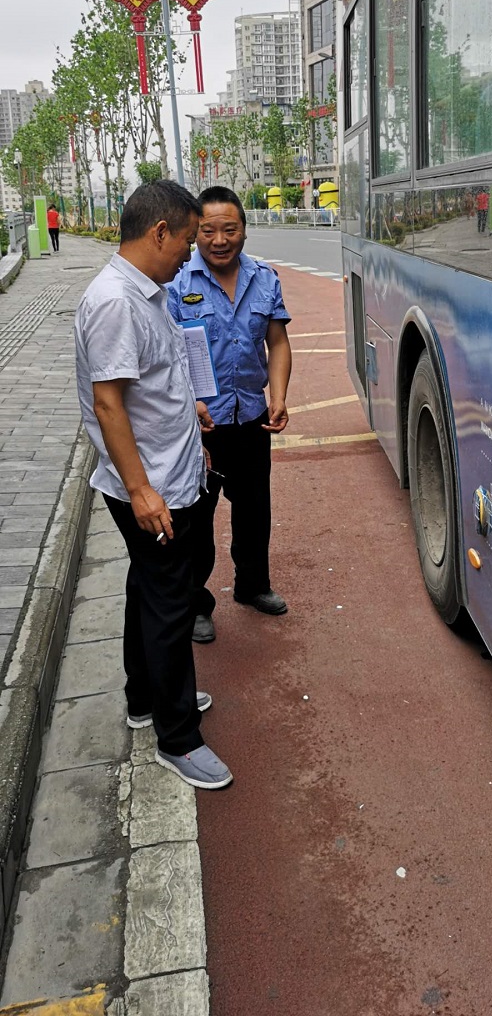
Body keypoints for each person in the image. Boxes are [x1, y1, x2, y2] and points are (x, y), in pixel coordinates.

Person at [74, 180, 232, 790]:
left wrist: (187, 412)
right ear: (159, 232)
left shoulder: (146, 293)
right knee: (170, 602)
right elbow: (109, 404)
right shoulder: (116, 301)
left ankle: (146, 698)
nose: (191, 253)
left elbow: (150, 380)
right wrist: (141, 491)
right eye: (188, 240)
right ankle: (178, 738)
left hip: (167, 469)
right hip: (152, 485)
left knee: (148, 588)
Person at [167, 185, 292, 644]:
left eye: (230, 230)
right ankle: (196, 604)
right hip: (201, 424)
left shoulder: (265, 278)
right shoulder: (177, 284)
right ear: (194, 232)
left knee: (255, 508)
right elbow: (166, 358)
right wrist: (187, 404)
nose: (220, 240)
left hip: (251, 416)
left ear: (244, 229)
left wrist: (279, 395)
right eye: (208, 231)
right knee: (196, 518)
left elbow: (277, 342)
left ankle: (252, 585)